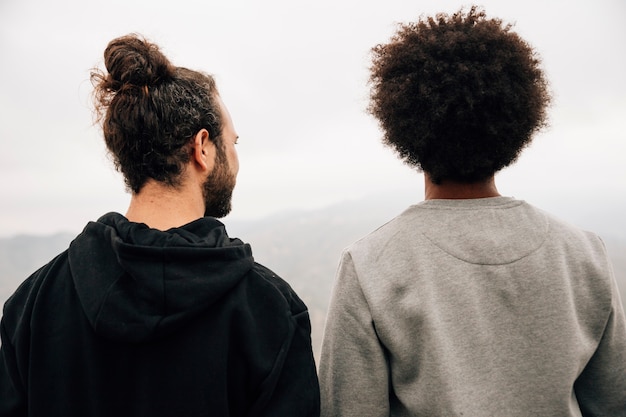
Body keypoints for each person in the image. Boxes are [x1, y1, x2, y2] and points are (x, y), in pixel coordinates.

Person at [319, 6, 626, 416]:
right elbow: (613, 403)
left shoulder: (371, 264)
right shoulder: (585, 253)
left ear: (404, 124)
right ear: (516, 120)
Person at [0, 33, 320, 416]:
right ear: (201, 148)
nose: (236, 159)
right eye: (233, 143)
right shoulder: (268, 309)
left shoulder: (33, 303)